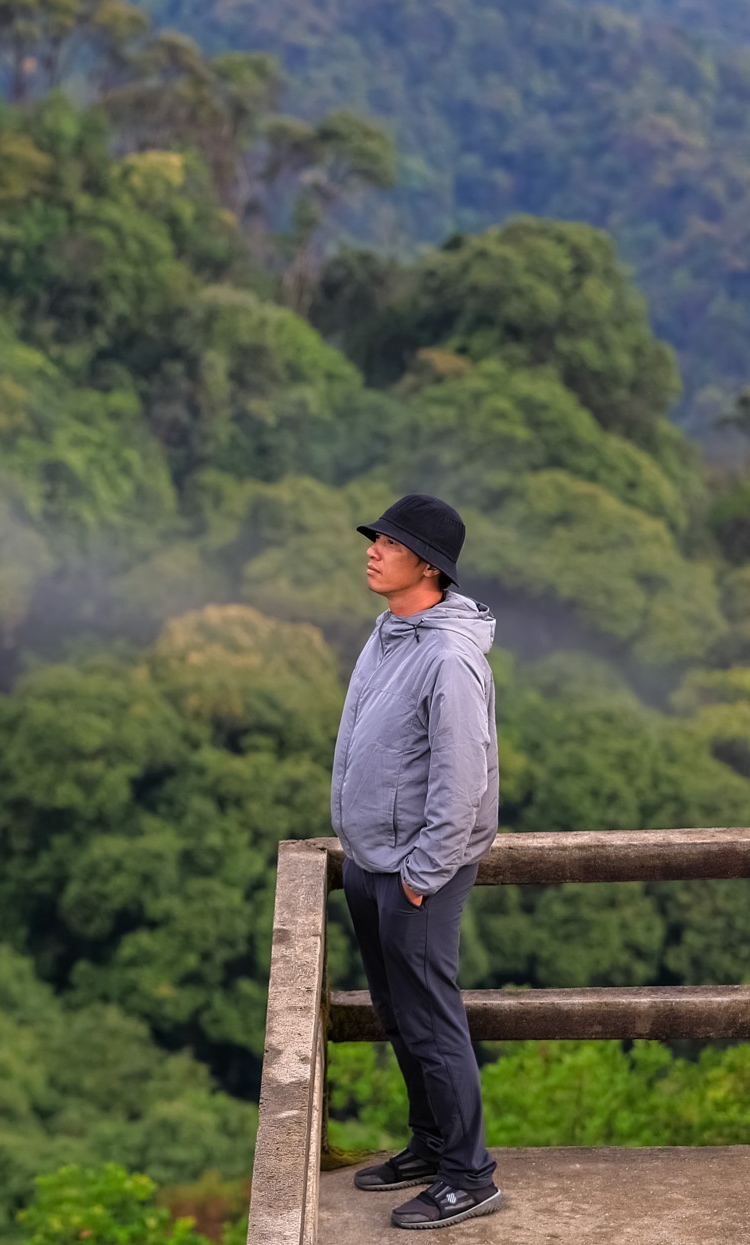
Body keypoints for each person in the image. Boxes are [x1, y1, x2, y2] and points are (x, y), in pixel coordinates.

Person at [330, 493, 504, 1230]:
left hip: (416, 873)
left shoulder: (449, 657)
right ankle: (431, 1144)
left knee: (431, 1019)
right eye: (374, 538)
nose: (373, 549)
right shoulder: (388, 633)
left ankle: (470, 1174)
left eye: (390, 543)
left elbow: (462, 784)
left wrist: (420, 877)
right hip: (371, 860)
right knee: (397, 1013)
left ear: (428, 566)